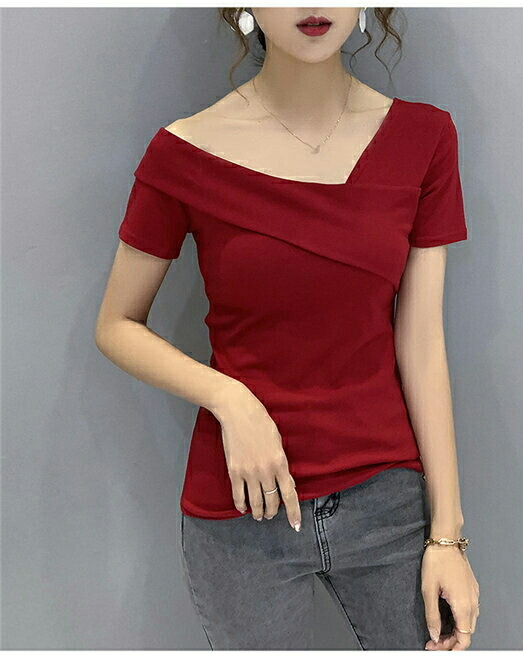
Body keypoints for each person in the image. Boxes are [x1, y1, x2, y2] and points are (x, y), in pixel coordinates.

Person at [95, 7, 480, 650]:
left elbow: (422, 344)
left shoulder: (424, 137)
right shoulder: (184, 152)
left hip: (388, 503)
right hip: (244, 509)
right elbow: (116, 324)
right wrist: (229, 398)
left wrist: (448, 536)